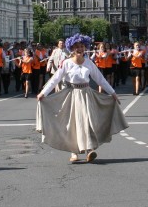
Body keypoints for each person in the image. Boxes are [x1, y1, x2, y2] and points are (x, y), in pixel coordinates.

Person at [36, 33, 127, 163]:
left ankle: (90, 150)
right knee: (73, 123)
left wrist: (112, 93)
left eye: (82, 46)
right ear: (72, 49)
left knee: (88, 121)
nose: (80, 49)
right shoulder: (66, 63)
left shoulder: (89, 63)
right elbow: (55, 79)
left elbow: (100, 79)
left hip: (86, 94)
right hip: (71, 95)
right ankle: (74, 152)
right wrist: (43, 93)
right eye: (77, 46)